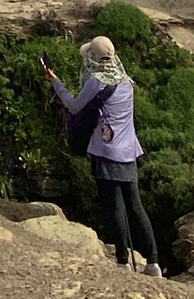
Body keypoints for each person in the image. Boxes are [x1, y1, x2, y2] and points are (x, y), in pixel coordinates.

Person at [42, 37, 161, 277]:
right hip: (129, 152)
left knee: (115, 207)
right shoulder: (127, 82)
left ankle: (122, 262)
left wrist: (56, 82)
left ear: (93, 58)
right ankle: (153, 263)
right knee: (136, 208)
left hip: (106, 153)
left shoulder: (96, 82)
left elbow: (74, 106)